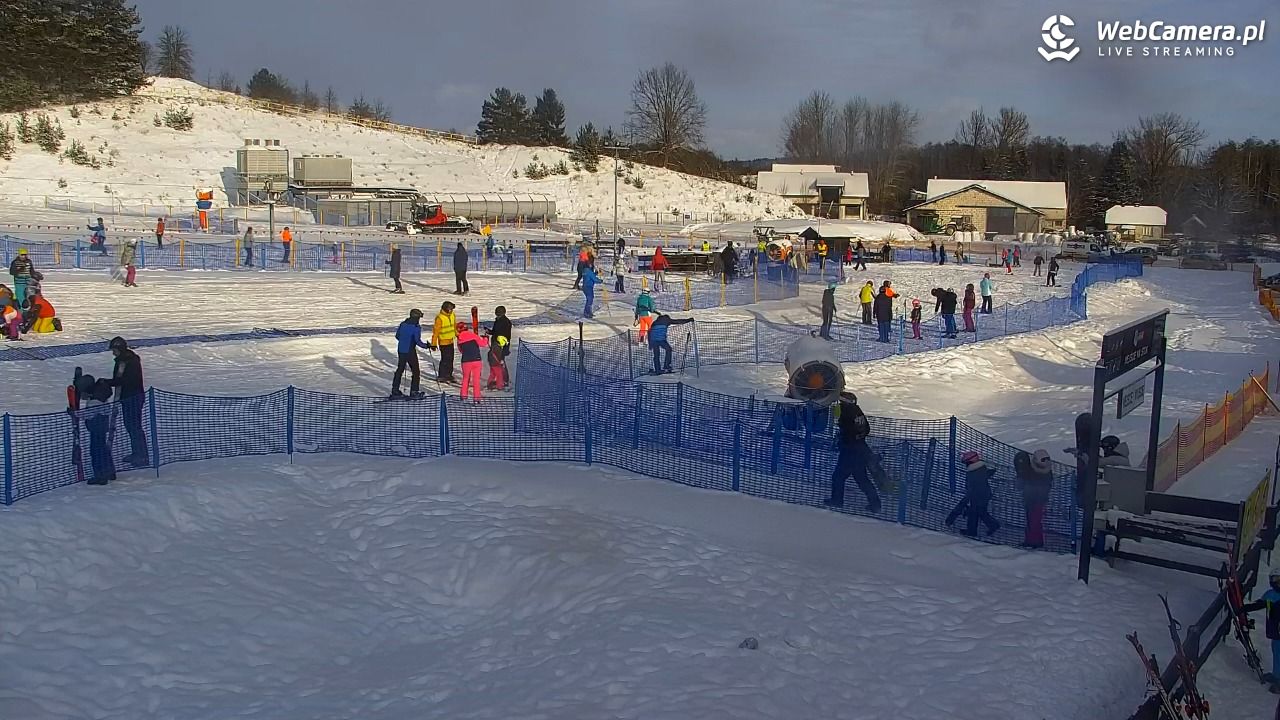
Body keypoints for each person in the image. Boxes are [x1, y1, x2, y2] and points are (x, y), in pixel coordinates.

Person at [825, 391, 882, 513]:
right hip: (860, 448)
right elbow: (867, 429)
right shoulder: (858, 411)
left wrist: (844, 439)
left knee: (838, 477)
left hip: (849, 451)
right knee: (862, 479)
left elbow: (845, 428)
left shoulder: (846, 413)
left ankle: (837, 500)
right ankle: (875, 504)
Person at [106, 336, 148, 466]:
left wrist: (107, 382)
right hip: (127, 398)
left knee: (134, 427)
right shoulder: (122, 361)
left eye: (114, 350)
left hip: (133, 398)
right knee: (130, 426)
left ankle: (141, 455)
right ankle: (137, 453)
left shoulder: (129, 361)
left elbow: (126, 380)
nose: (113, 353)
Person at [945, 450, 1001, 537]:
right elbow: (986, 474)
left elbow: (972, 486)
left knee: (974, 512)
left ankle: (972, 531)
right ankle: (992, 525)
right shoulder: (980, 469)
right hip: (983, 494)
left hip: (978, 495)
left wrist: (967, 498)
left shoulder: (973, 472)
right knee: (981, 512)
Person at [1241, 571, 1280, 690]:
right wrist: (1243, 608)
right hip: (1275, 630)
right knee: (1276, 651)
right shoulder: (1271, 594)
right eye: (1276, 579)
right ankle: (1276, 675)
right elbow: (1259, 604)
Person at [1015, 449, 1054, 549]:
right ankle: (1032, 540)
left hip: (1036, 500)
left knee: (1034, 521)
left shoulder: (1031, 470)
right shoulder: (1046, 472)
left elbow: (1020, 485)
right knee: (1032, 520)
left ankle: (1035, 541)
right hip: (1035, 499)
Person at [390, 309, 432, 398]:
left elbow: (397, 336)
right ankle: (414, 391)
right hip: (410, 351)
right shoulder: (416, 328)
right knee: (416, 371)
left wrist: (403, 341)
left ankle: (395, 390)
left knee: (400, 370)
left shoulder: (403, 324)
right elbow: (417, 341)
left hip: (401, 350)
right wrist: (427, 346)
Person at [455, 321, 489, 403]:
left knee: (466, 379)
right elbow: (483, 344)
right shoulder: (474, 336)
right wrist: (486, 338)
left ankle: (463, 397)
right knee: (476, 380)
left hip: (466, 361)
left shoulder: (459, 339)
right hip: (476, 360)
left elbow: (461, 350)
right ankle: (477, 398)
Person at [431, 301, 458, 383]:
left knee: (451, 359)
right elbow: (436, 332)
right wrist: (433, 344)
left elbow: (454, 326)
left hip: (450, 340)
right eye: (449, 309)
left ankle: (449, 374)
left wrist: (458, 335)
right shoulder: (440, 318)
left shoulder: (452, 315)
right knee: (445, 359)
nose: (451, 310)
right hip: (443, 342)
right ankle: (442, 375)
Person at [487, 306, 512, 390]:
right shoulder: (498, 321)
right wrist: (489, 332)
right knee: (496, 363)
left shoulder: (506, 322)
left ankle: (504, 380)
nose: (497, 315)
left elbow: (506, 336)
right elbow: (495, 332)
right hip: (496, 344)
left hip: (501, 345)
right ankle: (499, 380)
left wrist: (504, 347)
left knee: (500, 363)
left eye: (498, 313)